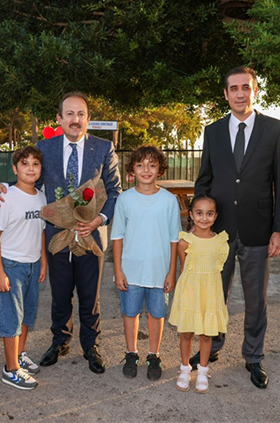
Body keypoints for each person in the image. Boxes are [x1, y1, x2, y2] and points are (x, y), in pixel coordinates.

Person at [0, 91, 121, 374]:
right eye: (70, 114)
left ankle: (91, 345)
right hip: (56, 237)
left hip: (91, 237)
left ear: (88, 119)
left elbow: (114, 191)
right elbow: (30, 181)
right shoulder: (45, 148)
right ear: (59, 118)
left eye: (81, 114)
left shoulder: (103, 148)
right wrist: (4, 186)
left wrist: (98, 220)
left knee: (90, 296)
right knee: (60, 294)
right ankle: (60, 341)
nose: (75, 119)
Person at [192, 66, 280, 389]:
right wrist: (199, 224)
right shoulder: (213, 131)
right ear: (225, 94)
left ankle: (253, 356)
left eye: (245, 87)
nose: (240, 93)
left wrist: (279, 229)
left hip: (258, 231)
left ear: (255, 91)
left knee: (255, 301)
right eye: (233, 88)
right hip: (218, 231)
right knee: (214, 295)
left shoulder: (274, 129)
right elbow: (204, 180)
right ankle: (212, 347)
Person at [111, 145, 181, 381]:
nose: (146, 170)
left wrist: (172, 272)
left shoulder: (169, 201)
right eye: (140, 165)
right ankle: (131, 353)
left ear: (160, 169)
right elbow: (117, 237)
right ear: (132, 170)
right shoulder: (125, 199)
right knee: (130, 313)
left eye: (152, 165)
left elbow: (174, 239)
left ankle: (154, 354)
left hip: (159, 271)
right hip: (130, 270)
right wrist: (118, 270)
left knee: (156, 313)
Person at [0, 146, 47, 390]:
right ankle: (10, 369)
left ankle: (19, 356)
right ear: (15, 169)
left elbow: (40, 231)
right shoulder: (6, 197)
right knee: (11, 318)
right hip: (11, 265)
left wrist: (42, 261)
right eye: (25, 164)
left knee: (26, 315)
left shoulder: (41, 197)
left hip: (33, 264)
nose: (30, 168)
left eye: (35, 164)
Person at [169, 194, 229, 393]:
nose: (204, 218)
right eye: (199, 213)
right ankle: (185, 368)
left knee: (206, 333)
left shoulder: (220, 242)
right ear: (192, 215)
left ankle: (202, 371)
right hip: (190, 291)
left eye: (209, 213)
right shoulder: (185, 241)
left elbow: (217, 269)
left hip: (210, 293)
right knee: (186, 332)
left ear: (216, 216)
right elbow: (184, 269)